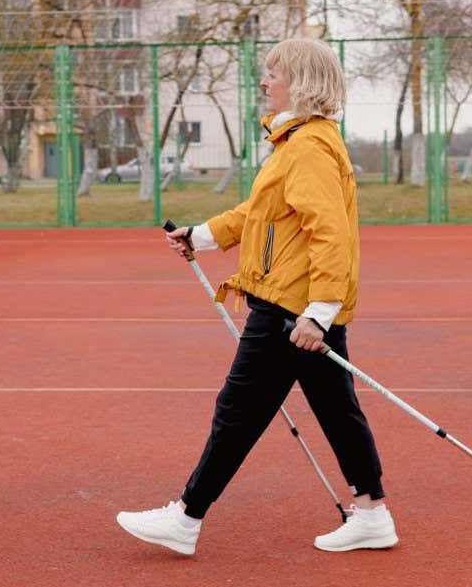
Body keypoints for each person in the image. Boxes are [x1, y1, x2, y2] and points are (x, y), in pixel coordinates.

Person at [115, 38, 395, 556]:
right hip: (298, 305)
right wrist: (202, 235)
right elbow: (260, 214)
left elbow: (330, 233)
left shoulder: (308, 147)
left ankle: (186, 517)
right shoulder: (298, 142)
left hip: (291, 309)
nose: (264, 82)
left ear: (301, 82)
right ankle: (373, 514)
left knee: (237, 411)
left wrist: (319, 312)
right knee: (337, 411)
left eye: (273, 73)